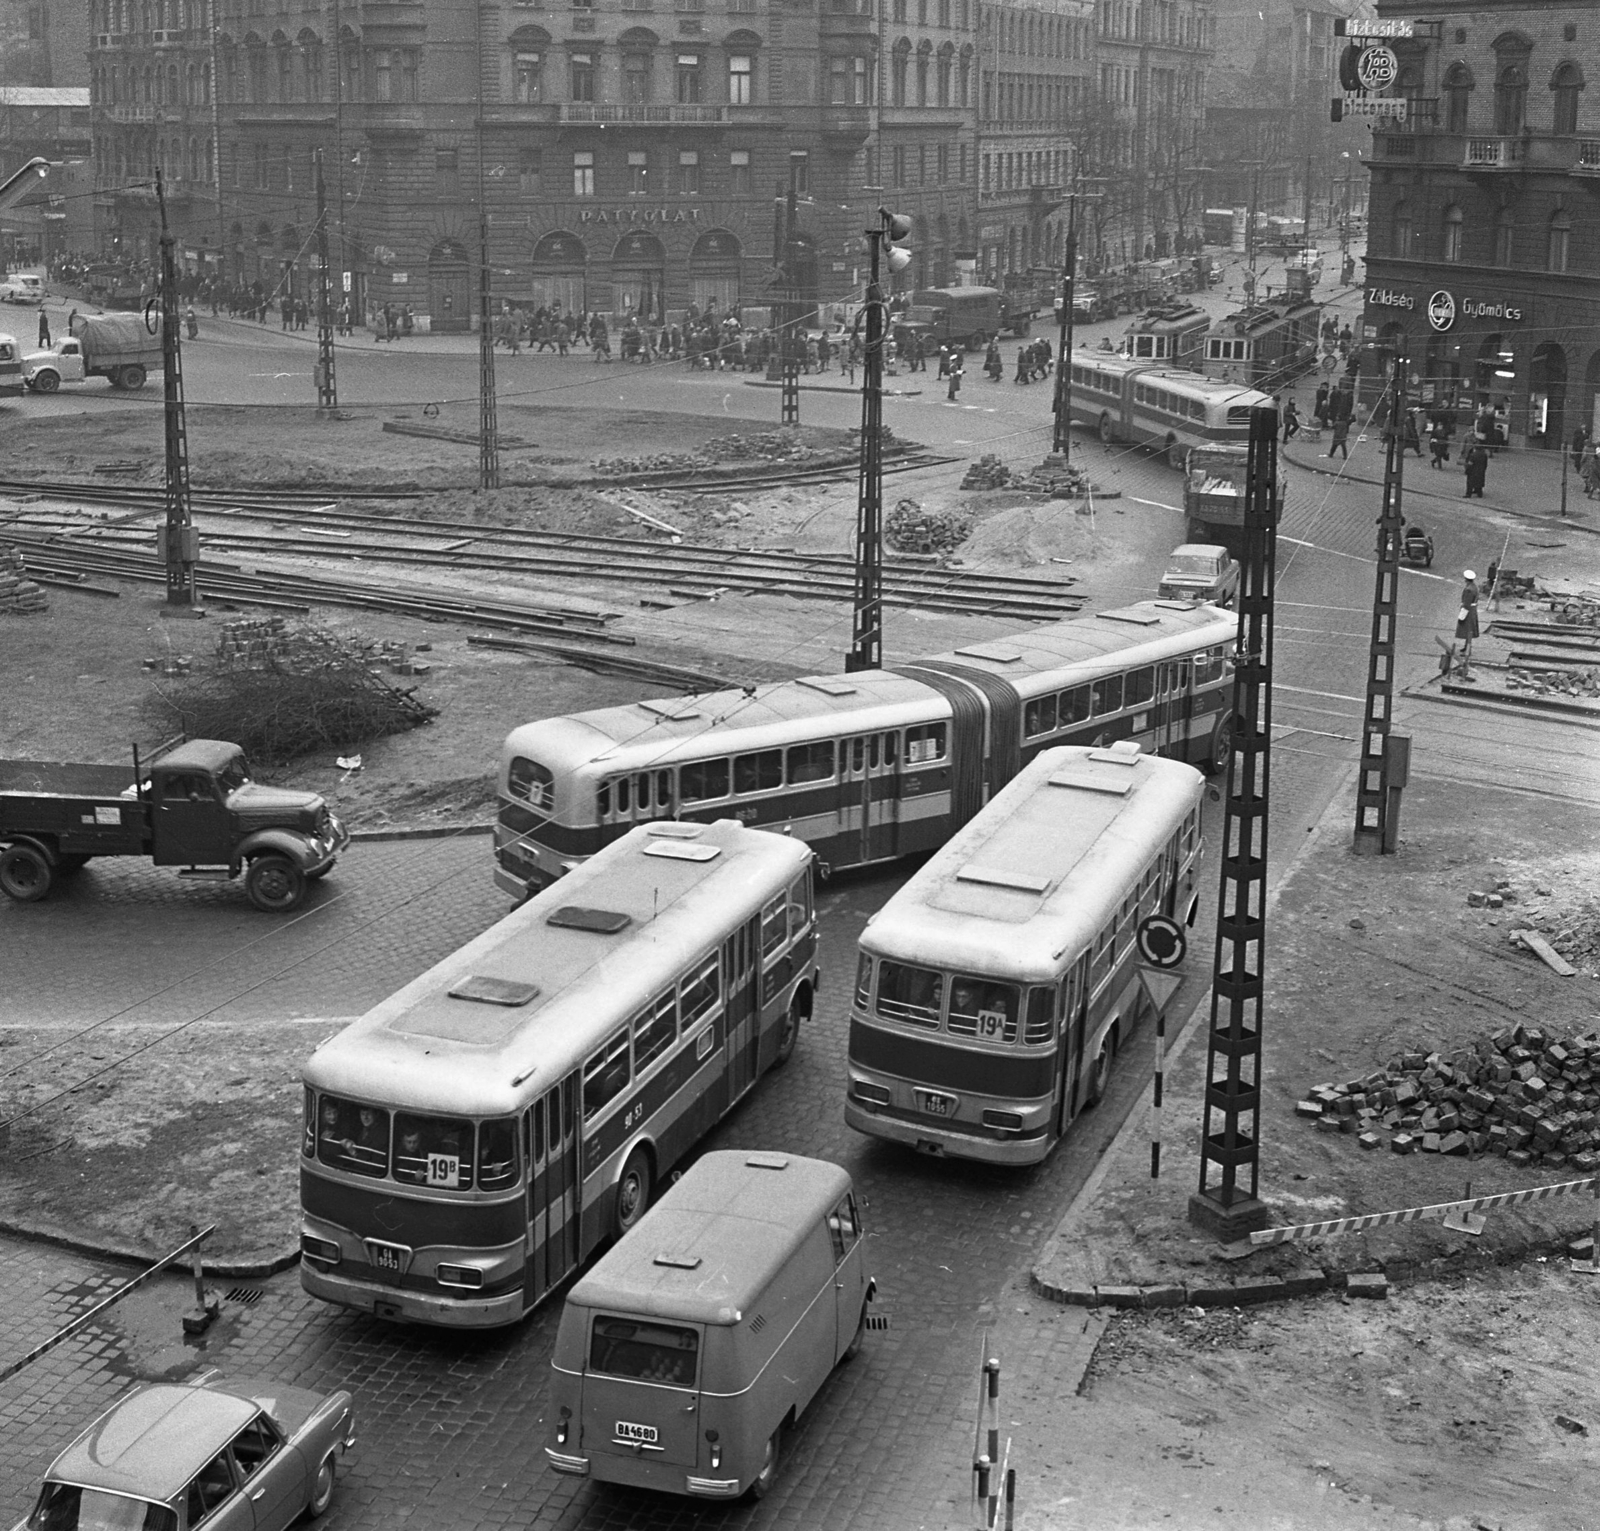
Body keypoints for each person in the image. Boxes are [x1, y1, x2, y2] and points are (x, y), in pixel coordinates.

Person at [1456, 569, 1480, 675]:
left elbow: (1466, 602)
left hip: (1468, 610)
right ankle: (1466, 647)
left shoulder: (1468, 590)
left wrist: (1462, 608)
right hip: (1473, 610)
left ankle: (1467, 649)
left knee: (1467, 629)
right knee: (1469, 629)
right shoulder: (1474, 587)